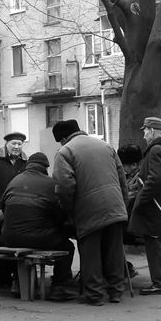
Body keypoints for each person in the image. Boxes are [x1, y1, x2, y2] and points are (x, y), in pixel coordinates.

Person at [52, 119, 129, 306]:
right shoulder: (106, 146)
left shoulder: (65, 151)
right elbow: (122, 180)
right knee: (114, 252)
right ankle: (116, 291)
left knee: (90, 254)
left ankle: (95, 295)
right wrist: (122, 204)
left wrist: (69, 210)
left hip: (89, 209)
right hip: (115, 206)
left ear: (63, 138)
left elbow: (64, 186)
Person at [0, 152, 78, 301]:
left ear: (28, 165)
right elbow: (59, 216)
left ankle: (18, 283)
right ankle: (59, 287)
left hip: (10, 237)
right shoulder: (51, 184)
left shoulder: (14, 181)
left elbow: (3, 208)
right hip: (38, 238)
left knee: (20, 243)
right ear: (46, 167)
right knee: (67, 246)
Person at [128, 117, 161, 296]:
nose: (144, 135)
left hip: (155, 208)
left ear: (153, 130)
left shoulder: (156, 150)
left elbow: (155, 179)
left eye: (145, 131)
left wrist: (140, 200)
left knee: (155, 245)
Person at [117, 144, 144, 279]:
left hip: (134, 224)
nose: (121, 168)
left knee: (109, 234)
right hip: (128, 220)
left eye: (123, 165)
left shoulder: (139, 177)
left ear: (133, 165)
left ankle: (121, 268)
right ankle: (121, 266)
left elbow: (129, 196)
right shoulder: (130, 176)